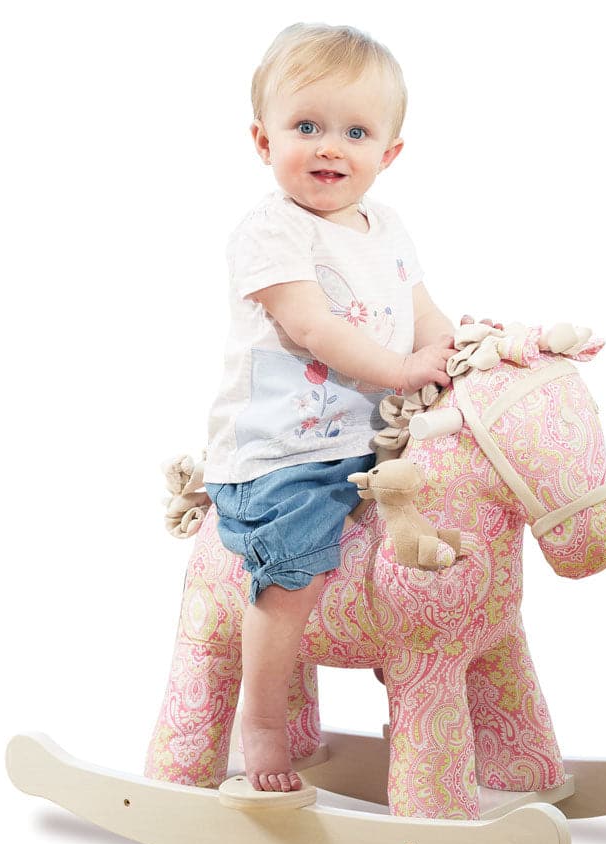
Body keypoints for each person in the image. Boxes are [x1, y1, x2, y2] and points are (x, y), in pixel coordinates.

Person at [204, 22, 457, 793]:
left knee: (444, 540)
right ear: (263, 139)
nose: (330, 148)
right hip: (286, 455)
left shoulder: (388, 227)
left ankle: (418, 698)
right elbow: (315, 328)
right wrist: (405, 368)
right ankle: (263, 720)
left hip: (374, 442)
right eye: (306, 126)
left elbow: (423, 312)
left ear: (390, 153)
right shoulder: (271, 230)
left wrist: (455, 352)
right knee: (297, 572)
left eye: (355, 132)